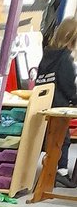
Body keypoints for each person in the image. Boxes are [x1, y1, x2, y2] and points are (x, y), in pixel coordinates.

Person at [37, 17, 77, 187]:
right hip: (59, 104)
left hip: (43, 102)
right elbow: (68, 86)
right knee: (63, 138)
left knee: (47, 138)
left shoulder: (47, 54)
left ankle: (50, 168)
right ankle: (61, 171)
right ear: (72, 40)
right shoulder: (65, 59)